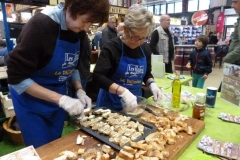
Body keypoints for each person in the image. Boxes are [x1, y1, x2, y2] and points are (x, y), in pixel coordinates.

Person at [6, 0, 109, 148]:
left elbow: (70, 65)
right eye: (85, 21)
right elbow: (16, 78)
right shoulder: (42, 25)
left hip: (58, 95)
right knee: (41, 149)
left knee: (56, 143)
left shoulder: (78, 30)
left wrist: (79, 89)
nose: (86, 28)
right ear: (72, 7)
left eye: (91, 24)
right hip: (31, 100)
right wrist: (61, 100)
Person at [93, 4, 163, 111]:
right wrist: (123, 92)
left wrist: (152, 84)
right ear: (125, 29)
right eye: (135, 37)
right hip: (110, 106)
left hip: (135, 104)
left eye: (143, 38)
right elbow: (98, 77)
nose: (139, 42)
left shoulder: (145, 49)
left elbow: (146, 73)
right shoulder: (112, 47)